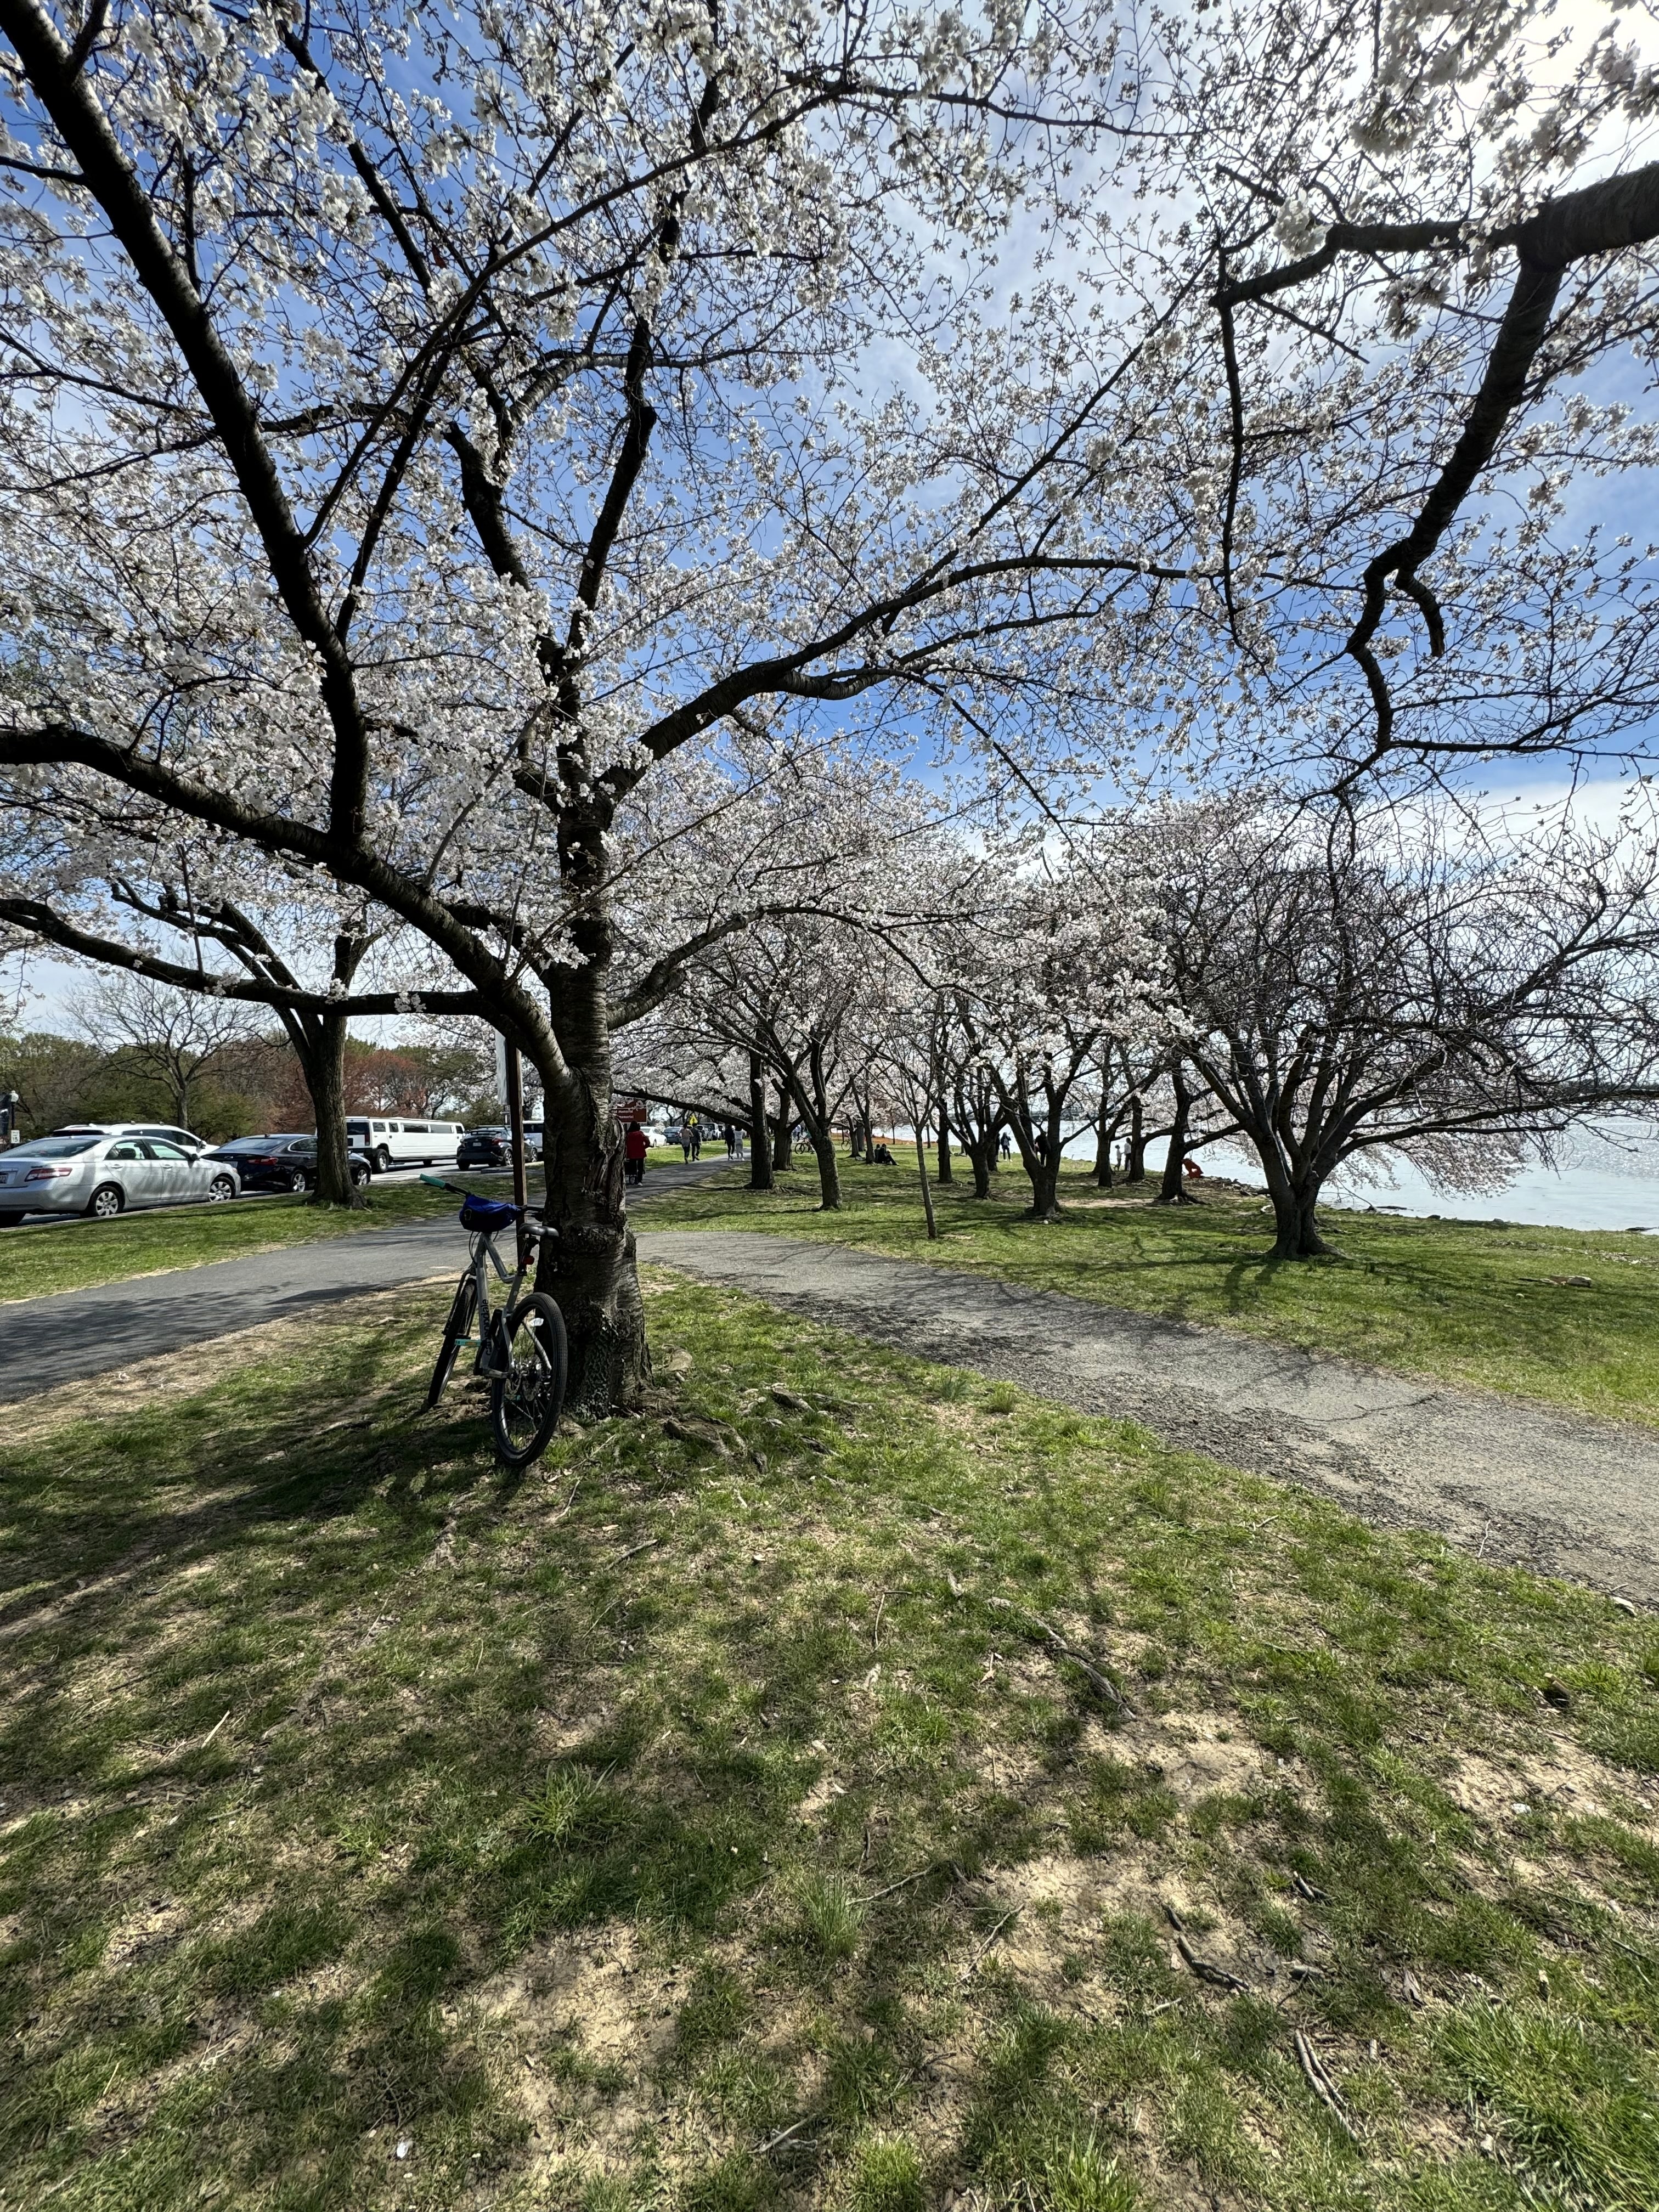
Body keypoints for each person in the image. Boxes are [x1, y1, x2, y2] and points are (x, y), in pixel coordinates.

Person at [624, 1116, 648, 1187]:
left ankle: (633, 1178)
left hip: (631, 1153)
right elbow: (647, 1142)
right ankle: (639, 1181)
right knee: (640, 1168)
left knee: (633, 1166)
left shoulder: (628, 1135)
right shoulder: (640, 1134)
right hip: (641, 1153)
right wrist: (644, 1147)